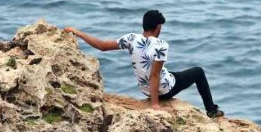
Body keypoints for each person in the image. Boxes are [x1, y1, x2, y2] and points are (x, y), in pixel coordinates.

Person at [64, 10, 224, 118]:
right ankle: (212, 110)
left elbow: (102, 46)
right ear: (158, 27)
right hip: (165, 90)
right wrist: (155, 105)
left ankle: (208, 108)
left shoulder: (131, 39)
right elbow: (154, 75)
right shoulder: (161, 45)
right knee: (198, 72)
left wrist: (79, 33)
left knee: (171, 73)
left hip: (145, 91)